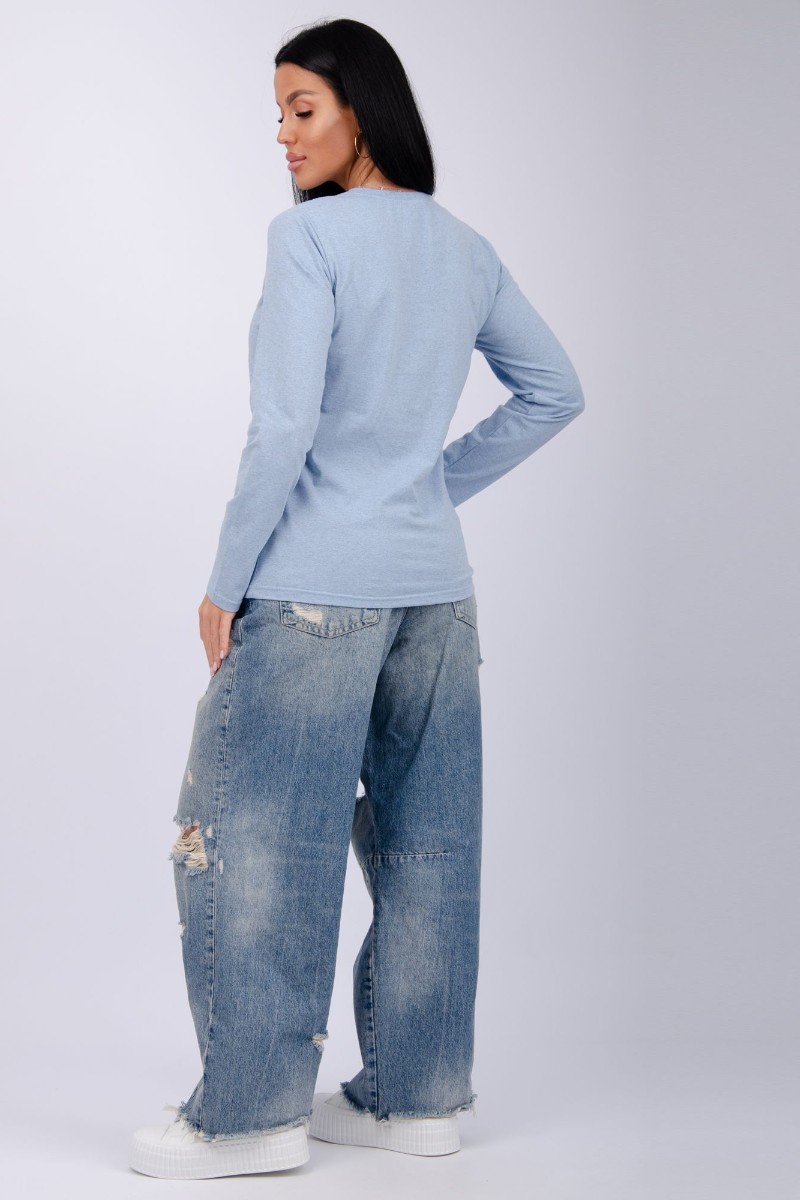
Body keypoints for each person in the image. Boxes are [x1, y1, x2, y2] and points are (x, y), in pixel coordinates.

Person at [129, 16, 584, 1180]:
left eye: (302, 108)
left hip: (309, 595)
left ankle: (246, 1118)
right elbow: (553, 391)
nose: (282, 136)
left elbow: (282, 424)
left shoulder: (309, 239)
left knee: (252, 848)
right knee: (428, 850)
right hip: (435, 595)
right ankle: (412, 1098)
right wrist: (424, 490)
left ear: (362, 110)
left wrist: (223, 582)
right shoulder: (463, 246)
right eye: (279, 113)